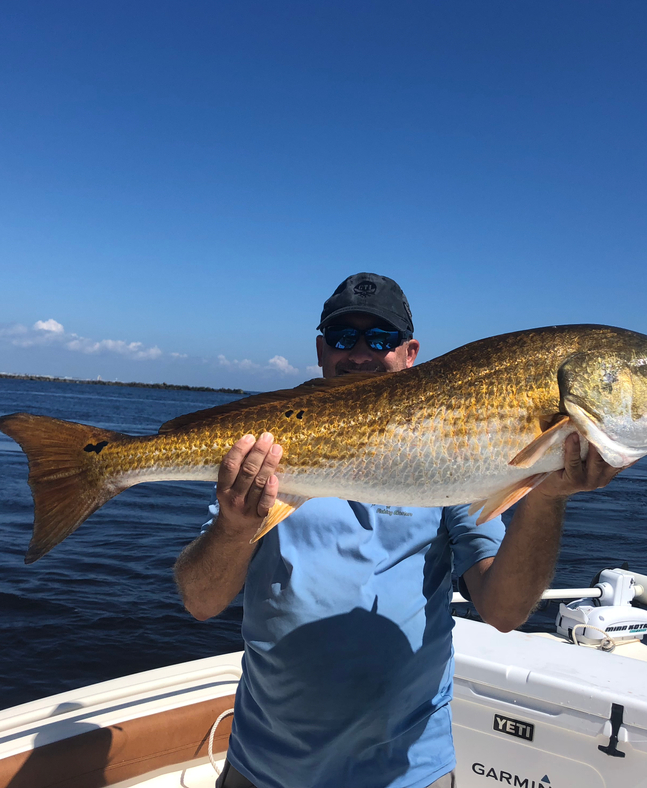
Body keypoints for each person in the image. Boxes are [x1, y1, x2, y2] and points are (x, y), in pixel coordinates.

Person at [173, 273, 623, 788]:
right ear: (321, 351)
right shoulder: (270, 450)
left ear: (411, 354)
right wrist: (232, 530)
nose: (361, 353)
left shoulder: (460, 458)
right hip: (265, 769)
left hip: (408, 774)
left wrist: (546, 497)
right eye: (344, 338)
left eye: (381, 339)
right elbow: (201, 602)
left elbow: (503, 611)